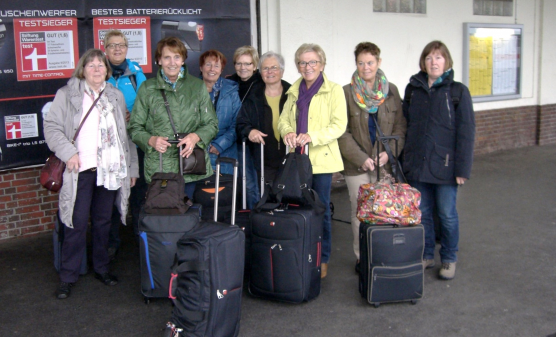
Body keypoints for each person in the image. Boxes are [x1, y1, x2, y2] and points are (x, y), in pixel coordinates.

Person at [43, 49, 139, 299]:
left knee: (103, 222)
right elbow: (52, 127)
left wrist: (131, 168)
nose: (97, 69)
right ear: (82, 69)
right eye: (91, 65)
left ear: (107, 70)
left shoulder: (115, 95)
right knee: (74, 224)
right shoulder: (67, 94)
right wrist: (68, 153)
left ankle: (101, 268)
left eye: (101, 65)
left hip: (110, 170)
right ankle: (68, 276)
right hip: (80, 170)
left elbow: (124, 135)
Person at [402, 40, 475, 280]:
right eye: (429, 58)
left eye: (439, 57)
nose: (434, 62)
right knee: (422, 212)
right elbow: (406, 127)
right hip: (418, 165)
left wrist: (462, 168)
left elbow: (466, 133)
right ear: (423, 62)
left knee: (446, 214)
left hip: (446, 166)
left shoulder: (458, 92)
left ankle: (449, 258)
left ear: (447, 61)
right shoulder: (413, 89)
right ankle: (426, 256)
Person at [278, 43, 347, 279]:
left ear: (322, 64)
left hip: (321, 160)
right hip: (296, 159)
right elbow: (283, 120)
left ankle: (322, 257)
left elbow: (338, 125)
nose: (307, 67)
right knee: (297, 207)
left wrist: (312, 137)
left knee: (321, 209)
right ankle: (301, 251)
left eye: (312, 62)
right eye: (303, 62)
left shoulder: (334, 90)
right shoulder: (293, 91)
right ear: (298, 66)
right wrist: (287, 132)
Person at [338, 42, 407, 274]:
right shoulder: (346, 92)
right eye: (360, 62)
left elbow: (400, 128)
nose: (365, 67)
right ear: (355, 63)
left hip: (383, 164)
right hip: (356, 165)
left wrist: (389, 154)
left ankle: (383, 254)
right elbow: (341, 131)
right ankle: (362, 258)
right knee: (360, 213)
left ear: (378, 62)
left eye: (370, 62)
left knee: (384, 211)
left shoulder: (392, 91)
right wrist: (360, 158)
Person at [128, 37, 218, 199]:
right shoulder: (147, 89)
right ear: (159, 60)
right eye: (167, 57)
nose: (172, 62)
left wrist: (195, 137)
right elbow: (135, 127)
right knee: (163, 218)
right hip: (159, 166)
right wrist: (151, 140)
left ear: (183, 60)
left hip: (190, 165)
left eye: (177, 57)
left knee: (187, 216)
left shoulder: (197, 86)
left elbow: (211, 124)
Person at [103, 29, 147, 259]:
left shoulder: (136, 73)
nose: (117, 49)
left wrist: (134, 115)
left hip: (134, 142)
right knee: (110, 196)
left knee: (139, 194)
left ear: (127, 48)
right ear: (105, 48)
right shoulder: (99, 70)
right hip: (108, 146)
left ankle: (142, 243)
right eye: (112, 45)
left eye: (121, 45)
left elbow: (148, 101)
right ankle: (111, 243)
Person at [237, 51, 291, 184]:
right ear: (260, 73)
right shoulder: (253, 96)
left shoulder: (293, 94)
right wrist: (250, 131)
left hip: (290, 157)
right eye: (265, 68)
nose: (269, 72)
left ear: (282, 71)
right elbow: (241, 123)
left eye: (274, 67)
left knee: (291, 199)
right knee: (267, 199)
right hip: (263, 159)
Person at [227, 46, 263, 209]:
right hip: (229, 139)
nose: (243, 68)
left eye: (248, 64)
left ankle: (253, 218)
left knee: (249, 182)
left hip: (248, 141)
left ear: (255, 66)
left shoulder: (262, 83)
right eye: (239, 63)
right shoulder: (229, 83)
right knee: (229, 181)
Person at [199, 50, 241, 175]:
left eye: (216, 66)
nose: (212, 69)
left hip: (226, 153)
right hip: (198, 154)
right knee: (199, 193)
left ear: (221, 70)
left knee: (225, 192)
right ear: (201, 67)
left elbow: (237, 122)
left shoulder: (232, 90)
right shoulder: (191, 90)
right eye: (208, 64)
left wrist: (220, 144)